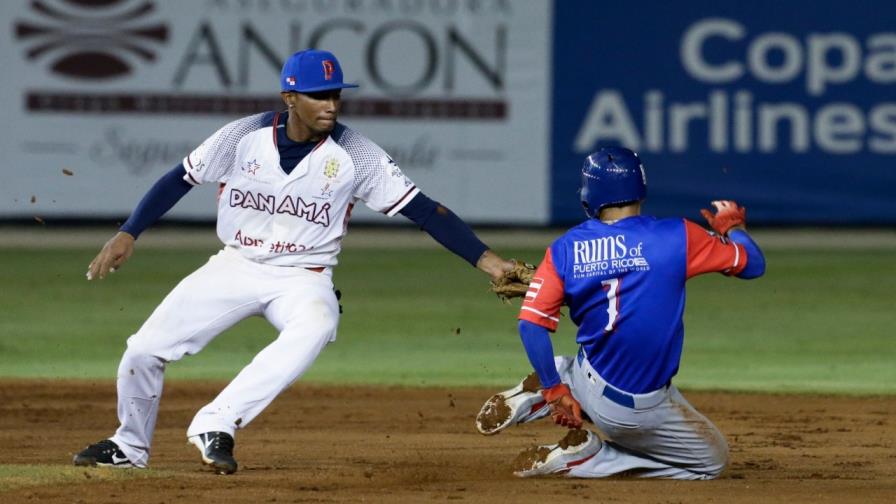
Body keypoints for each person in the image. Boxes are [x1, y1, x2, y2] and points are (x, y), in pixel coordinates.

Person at [73, 49, 514, 475]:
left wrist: (490, 262)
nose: (331, 104)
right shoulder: (241, 136)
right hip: (236, 263)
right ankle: (130, 445)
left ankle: (217, 421)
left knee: (318, 324)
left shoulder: (357, 154)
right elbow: (180, 178)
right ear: (289, 98)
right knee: (143, 350)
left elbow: (423, 209)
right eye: (319, 95)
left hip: (305, 276)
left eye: (336, 95)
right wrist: (129, 231)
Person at [475, 147, 766, 479]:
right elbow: (753, 264)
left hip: (589, 375)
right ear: (640, 188)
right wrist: (732, 228)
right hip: (634, 411)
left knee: (580, 361)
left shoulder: (565, 248)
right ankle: (591, 458)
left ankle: (551, 381)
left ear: (590, 195)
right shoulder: (679, 236)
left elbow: (531, 325)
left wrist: (555, 390)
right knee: (711, 463)